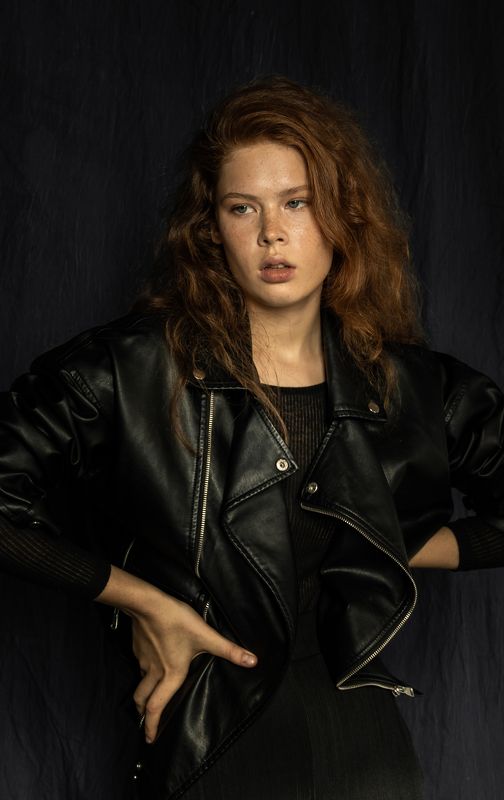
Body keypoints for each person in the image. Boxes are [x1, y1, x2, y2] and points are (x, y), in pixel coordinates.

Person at [0, 76, 503, 800]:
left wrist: (385, 540)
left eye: (297, 202)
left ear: (343, 215)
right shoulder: (131, 369)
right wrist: (139, 600)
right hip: (213, 737)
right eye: (244, 207)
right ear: (211, 229)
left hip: (363, 746)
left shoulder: (414, 386)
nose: (272, 233)